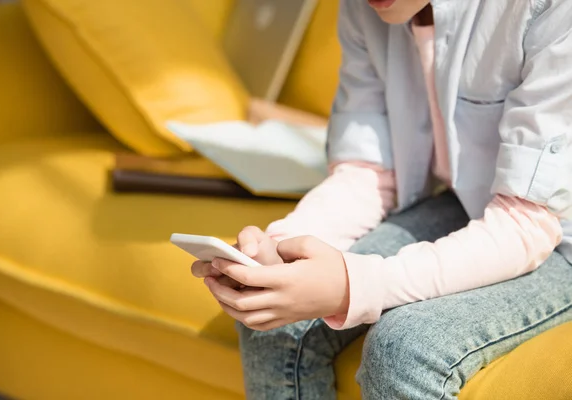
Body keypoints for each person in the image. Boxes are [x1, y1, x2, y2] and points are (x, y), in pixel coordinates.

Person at [192, 0, 572, 398]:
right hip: (474, 204)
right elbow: (370, 173)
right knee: (275, 321)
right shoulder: (365, 8)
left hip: (555, 232)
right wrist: (275, 251)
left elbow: (527, 222)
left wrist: (353, 286)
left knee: (404, 350)